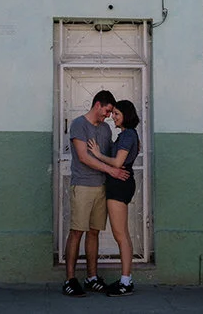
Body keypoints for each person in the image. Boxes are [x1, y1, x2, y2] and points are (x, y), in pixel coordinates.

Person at [63, 90, 131, 298]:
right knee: (77, 231)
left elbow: (108, 156)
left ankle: (92, 277)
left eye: (112, 112)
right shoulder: (78, 125)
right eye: (107, 111)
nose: (109, 115)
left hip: (101, 187)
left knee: (94, 232)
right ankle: (70, 280)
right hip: (83, 186)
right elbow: (84, 157)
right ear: (97, 105)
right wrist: (112, 170)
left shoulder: (105, 130)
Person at [87, 99, 140, 297]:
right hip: (121, 184)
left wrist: (98, 154)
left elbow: (118, 163)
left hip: (119, 186)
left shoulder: (127, 135)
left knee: (120, 235)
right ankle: (126, 279)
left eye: (117, 114)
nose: (113, 117)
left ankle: (126, 282)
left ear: (126, 115)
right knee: (123, 234)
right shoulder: (128, 135)